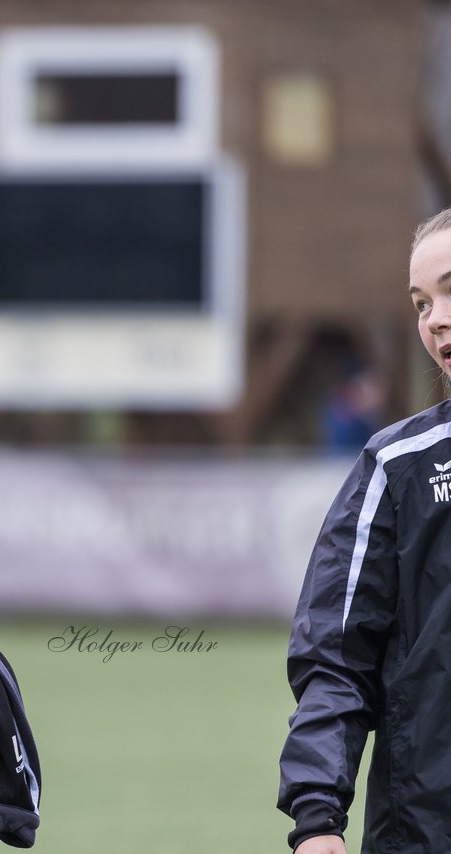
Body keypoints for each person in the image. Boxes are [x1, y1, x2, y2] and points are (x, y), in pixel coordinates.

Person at [279, 206, 451, 853]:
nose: (432, 318)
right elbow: (336, 661)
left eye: (449, 289)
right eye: (419, 302)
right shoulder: (397, 469)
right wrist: (317, 819)